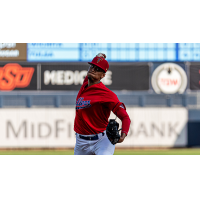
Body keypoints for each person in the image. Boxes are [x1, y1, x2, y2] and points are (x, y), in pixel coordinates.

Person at [74, 53, 131, 155]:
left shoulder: (107, 94)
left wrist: (123, 135)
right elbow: (91, 74)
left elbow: (125, 117)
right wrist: (99, 57)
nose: (93, 69)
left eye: (97, 69)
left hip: (101, 141)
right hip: (80, 142)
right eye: (92, 66)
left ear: (103, 75)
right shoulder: (85, 84)